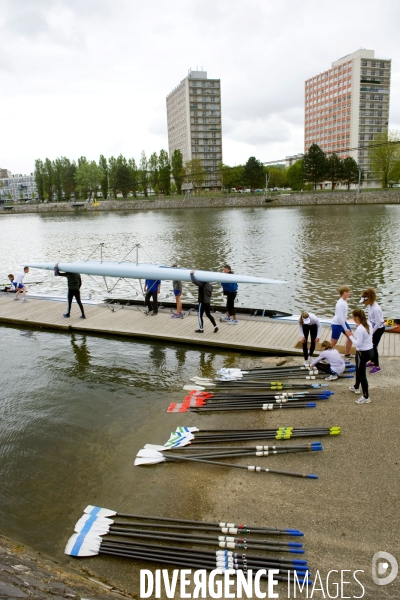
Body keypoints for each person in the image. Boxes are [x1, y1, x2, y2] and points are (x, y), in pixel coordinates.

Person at [344, 308, 374, 404]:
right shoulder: (368, 323)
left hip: (363, 353)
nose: (353, 319)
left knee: (362, 375)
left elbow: (358, 343)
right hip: (370, 351)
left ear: (357, 317)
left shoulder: (360, 329)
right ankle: (356, 386)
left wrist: (350, 335)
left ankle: (366, 396)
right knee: (358, 368)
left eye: (353, 317)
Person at [359, 288, 385, 374]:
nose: (363, 303)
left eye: (364, 301)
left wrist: (371, 333)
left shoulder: (376, 309)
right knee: (371, 345)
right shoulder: (369, 306)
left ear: (369, 299)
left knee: (373, 347)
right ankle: (372, 362)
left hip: (379, 328)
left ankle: (377, 366)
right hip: (373, 327)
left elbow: (378, 323)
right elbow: (370, 319)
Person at [331, 286, 352, 358]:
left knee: (351, 337)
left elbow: (342, 315)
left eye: (349, 292)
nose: (349, 293)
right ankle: (324, 355)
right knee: (334, 342)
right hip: (337, 324)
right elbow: (339, 317)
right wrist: (346, 328)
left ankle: (347, 354)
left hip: (343, 322)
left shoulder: (344, 301)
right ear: (343, 293)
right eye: (347, 292)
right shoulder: (340, 304)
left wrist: (346, 319)